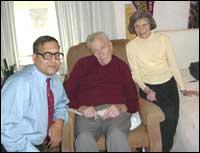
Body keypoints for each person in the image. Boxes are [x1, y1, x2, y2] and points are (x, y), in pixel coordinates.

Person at [126, 10, 196, 152]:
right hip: (150, 87)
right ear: (133, 28)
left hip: (169, 84)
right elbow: (135, 73)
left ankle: (164, 149)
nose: (141, 29)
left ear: (150, 24)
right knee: (167, 116)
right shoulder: (131, 47)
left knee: (173, 119)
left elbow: (173, 65)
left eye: (144, 24)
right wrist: (146, 89)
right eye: (137, 26)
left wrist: (182, 88)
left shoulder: (163, 39)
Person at [63, 31, 139, 152]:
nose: (100, 54)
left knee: (116, 135)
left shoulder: (121, 67)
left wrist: (121, 107)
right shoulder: (83, 64)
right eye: (95, 51)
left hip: (116, 113)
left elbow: (133, 101)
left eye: (102, 48)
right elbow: (65, 92)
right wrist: (81, 108)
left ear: (110, 46)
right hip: (88, 114)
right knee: (83, 139)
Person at [1, 35, 69, 152]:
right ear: (34, 58)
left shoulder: (55, 79)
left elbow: (61, 104)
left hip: (37, 143)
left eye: (57, 55)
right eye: (47, 55)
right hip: (13, 144)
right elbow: (6, 127)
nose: (54, 60)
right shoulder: (20, 83)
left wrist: (59, 122)